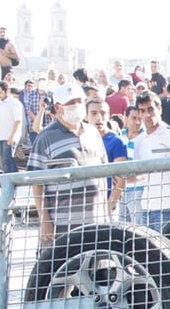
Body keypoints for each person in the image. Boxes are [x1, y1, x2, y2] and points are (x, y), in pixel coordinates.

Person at [25, 83, 109, 243]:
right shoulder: (46, 137)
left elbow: (103, 174)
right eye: (71, 103)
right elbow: (36, 183)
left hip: (95, 223)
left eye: (79, 101)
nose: (77, 106)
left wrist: (105, 213)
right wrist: (45, 219)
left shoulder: (92, 133)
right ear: (58, 108)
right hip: (62, 227)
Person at [129, 91, 170, 230]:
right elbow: (140, 174)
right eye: (142, 111)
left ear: (159, 109)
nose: (147, 115)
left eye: (150, 109)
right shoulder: (139, 140)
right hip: (146, 207)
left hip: (168, 207)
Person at [0, 80, 24, 177]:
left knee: (8, 162)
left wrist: (12, 136)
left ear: (7, 91)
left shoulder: (14, 103)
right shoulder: (1, 104)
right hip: (1, 136)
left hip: (9, 137)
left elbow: (18, 121)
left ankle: (10, 182)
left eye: (0, 92)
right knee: (4, 162)